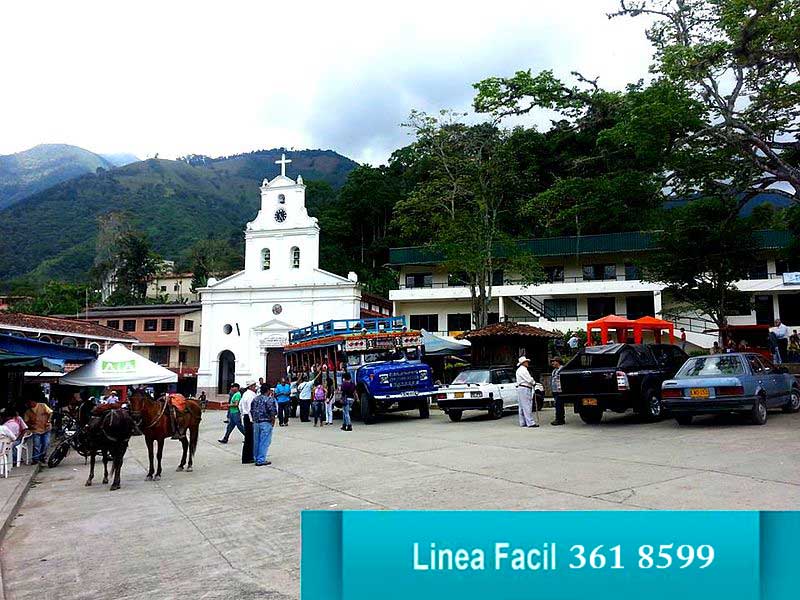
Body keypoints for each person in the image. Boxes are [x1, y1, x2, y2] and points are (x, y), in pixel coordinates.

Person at [250, 384, 277, 466]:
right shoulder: (269, 400)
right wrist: (273, 421)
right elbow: (272, 411)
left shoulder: (255, 399)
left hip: (256, 422)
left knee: (256, 441)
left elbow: (251, 410)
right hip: (265, 421)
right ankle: (261, 459)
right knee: (264, 441)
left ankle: (256, 457)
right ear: (268, 390)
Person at [24, 397, 53, 464]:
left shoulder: (42, 406)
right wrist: (30, 425)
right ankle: (35, 459)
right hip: (36, 429)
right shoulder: (28, 411)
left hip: (46, 428)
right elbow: (26, 421)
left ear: (34, 401)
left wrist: (48, 421)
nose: (30, 404)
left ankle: (42, 457)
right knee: (36, 445)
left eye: (30, 402)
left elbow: (50, 413)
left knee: (46, 443)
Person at [515, 356, 538, 428]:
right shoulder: (523, 370)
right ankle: (530, 422)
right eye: (526, 362)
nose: (527, 363)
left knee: (522, 406)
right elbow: (529, 379)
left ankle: (523, 422)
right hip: (525, 388)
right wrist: (534, 382)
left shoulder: (520, 370)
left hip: (521, 388)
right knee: (527, 405)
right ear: (523, 363)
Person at [239, 381, 257, 463]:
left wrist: (243, 414)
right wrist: (252, 419)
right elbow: (250, 409)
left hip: (246, 416)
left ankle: (248, 456)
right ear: (250, 387)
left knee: (248, 438)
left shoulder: (245, 394)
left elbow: (240, 406)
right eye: (254, 386)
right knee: (249, 438)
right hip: (249, 417)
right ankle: (248, 457)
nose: (255, 387)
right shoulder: (250, 395)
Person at [549, 357, 565, 426]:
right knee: (557, 404)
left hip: (559, 390)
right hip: (555, 390)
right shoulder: (554, 370)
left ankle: (559, 419)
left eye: (554, 361)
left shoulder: (562, 369)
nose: (552, 363)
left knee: (559, 405)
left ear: (558, 362)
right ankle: (560, 418)